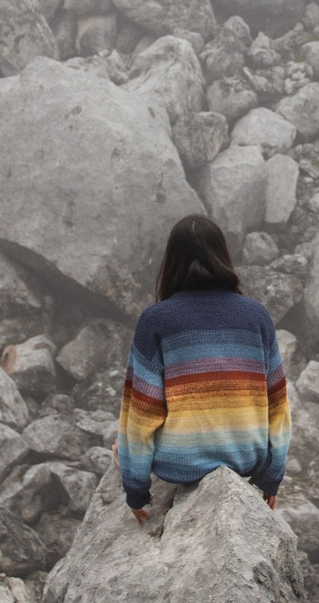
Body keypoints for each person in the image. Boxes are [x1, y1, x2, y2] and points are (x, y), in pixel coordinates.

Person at [117, 214, 289, 525]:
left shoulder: (156, 321)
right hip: (243, 459)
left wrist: (136, 490)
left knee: (120, 445)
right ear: (223, 256)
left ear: (170, 262)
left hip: (179, 464)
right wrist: (270, 479)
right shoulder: (257, 317)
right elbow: (278, 407)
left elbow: (140, 416)